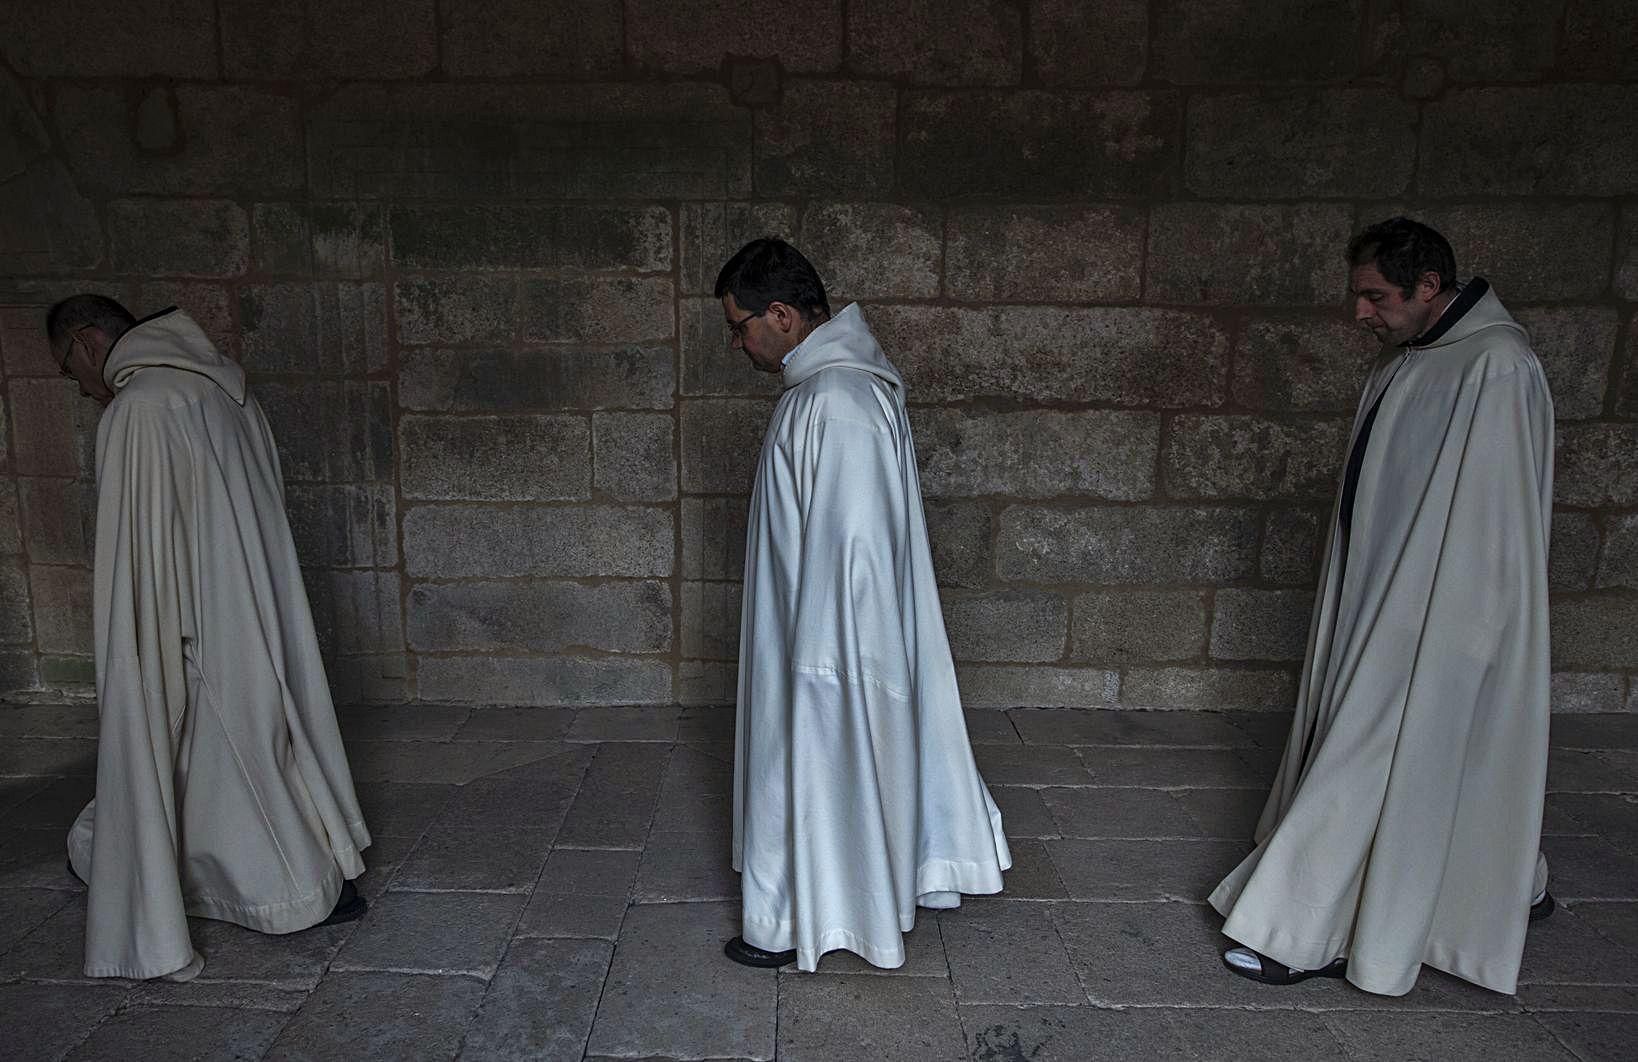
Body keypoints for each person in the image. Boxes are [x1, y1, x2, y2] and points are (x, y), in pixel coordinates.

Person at [1208, 219, 1555, 996]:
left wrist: (1459, 629)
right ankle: (1502, 886)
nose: (1360, 314)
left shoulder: (1498, 368)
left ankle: (1298, 929)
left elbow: (1496, 526)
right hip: (1381, 593)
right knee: (1421, 753)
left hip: (1440, 609)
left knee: (1379, 747)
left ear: (1428, 285)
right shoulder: (1413, 361)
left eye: (1374, 297)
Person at [47, 294, 371, 981]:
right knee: (252, 751)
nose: (78, 388)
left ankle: (276, 888)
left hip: (199, 623)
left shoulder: (143, 408)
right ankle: (308, 870)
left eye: (67, 369)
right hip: (249, 611)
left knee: (211, 758)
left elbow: (142, 570)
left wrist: (145, 666)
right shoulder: (225, 392)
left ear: (83, 343)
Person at [718, 239, 1011, 971]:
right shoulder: (828, 392)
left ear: (780, 316)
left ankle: (815, 910)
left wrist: (817, 680)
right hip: (810, 637)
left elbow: (852, 568)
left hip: (827, 648)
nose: (738, 342)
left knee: (820, 759)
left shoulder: (837, 403)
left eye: (741, 325)